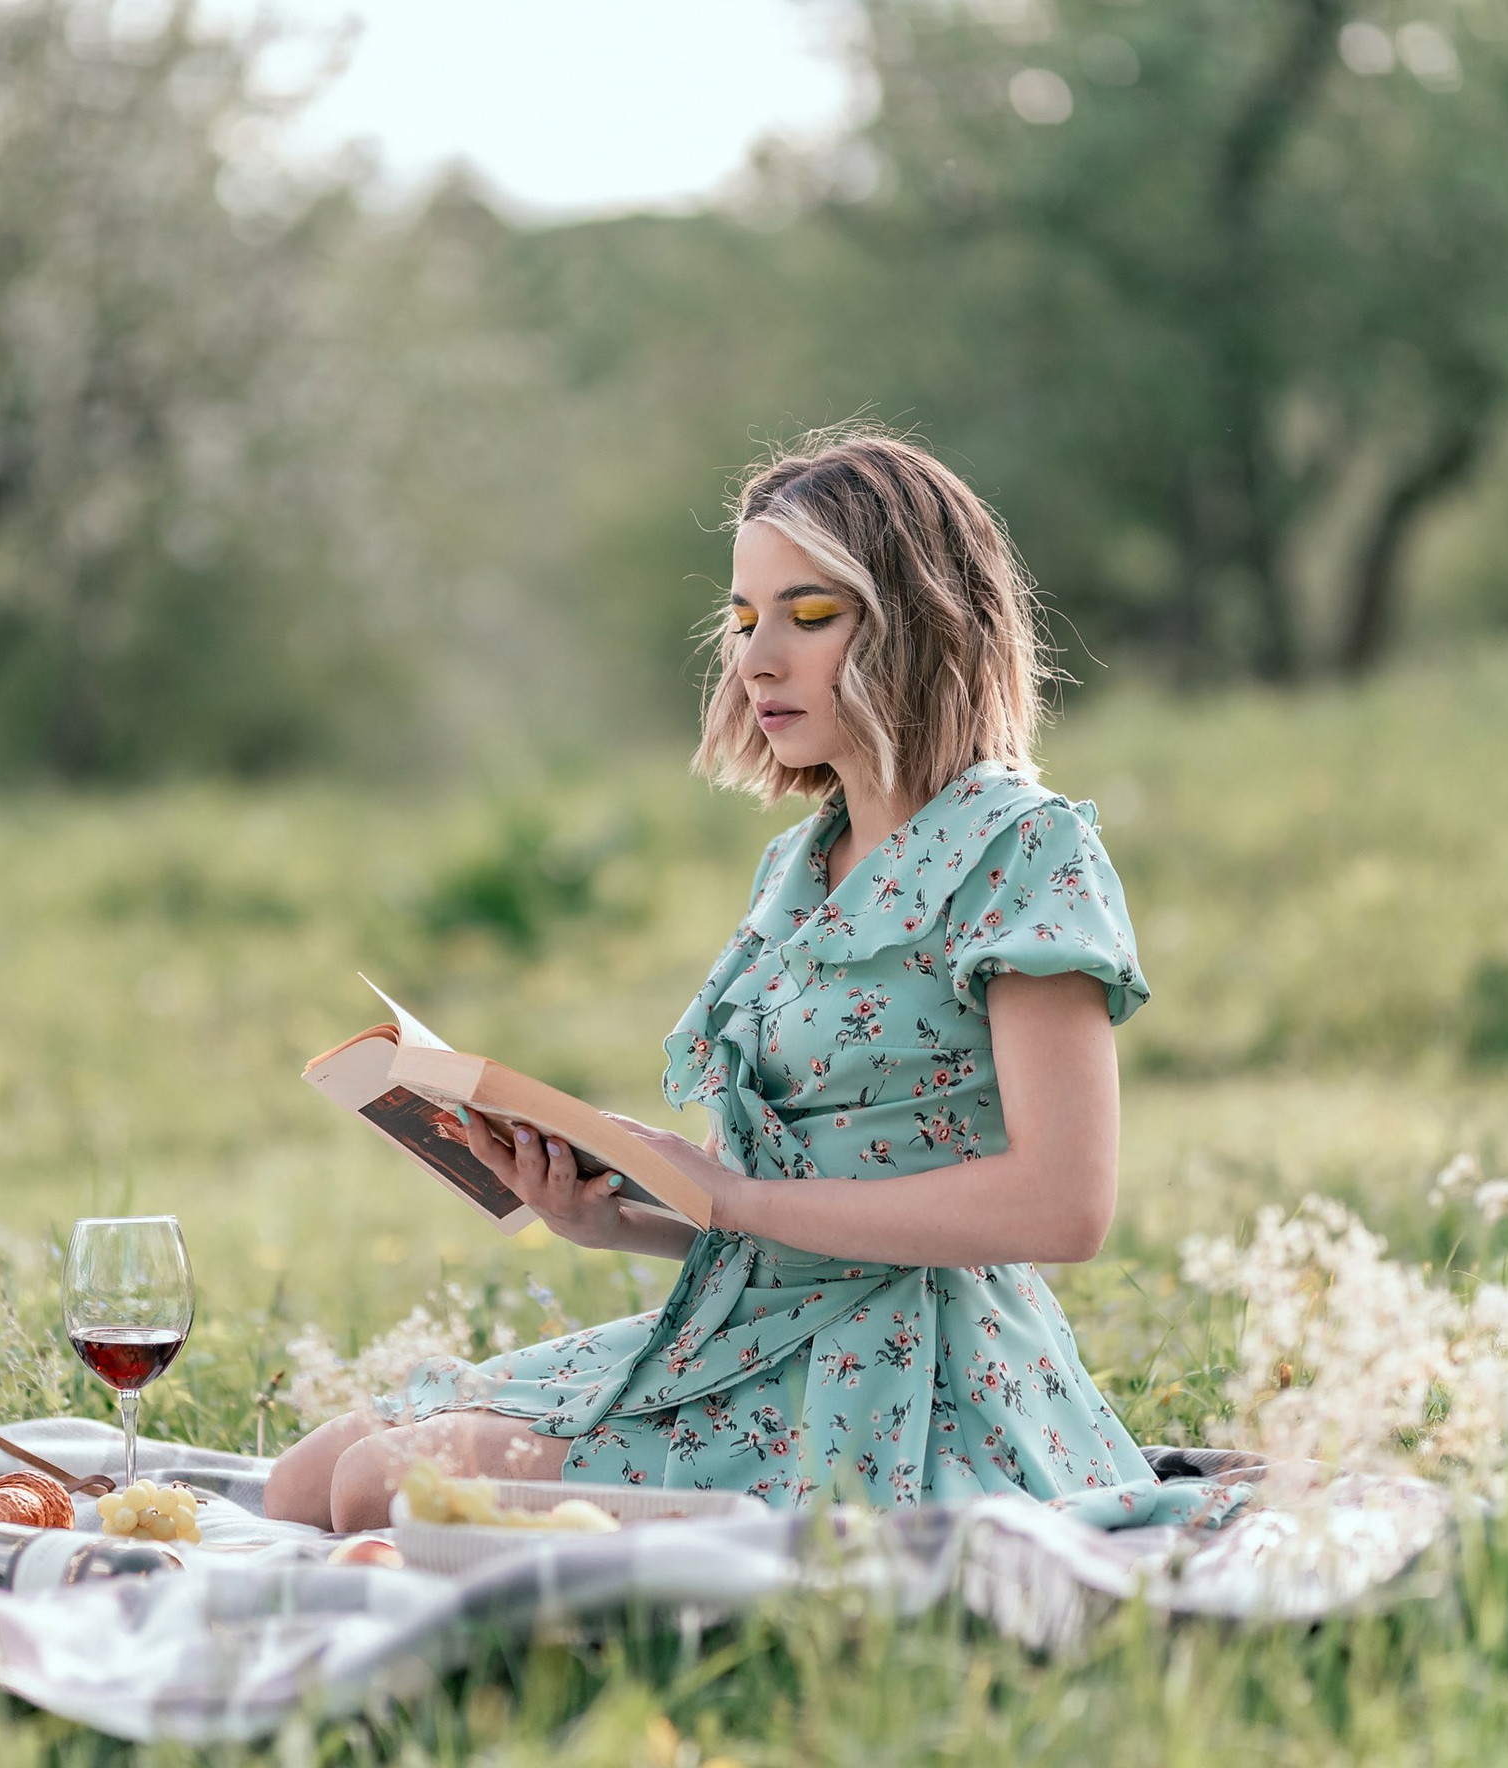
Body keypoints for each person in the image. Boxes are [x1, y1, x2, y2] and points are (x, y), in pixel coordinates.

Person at [267, 431, 1217, 1533]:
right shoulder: (799, 864)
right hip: (742, 1328)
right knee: (308, 1479)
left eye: (810, 616)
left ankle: (775, 1562)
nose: (758, 658)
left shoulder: (1024, 850)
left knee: (382, 1488)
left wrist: (729, 1197)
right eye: (743, 618)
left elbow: (1064, 1204)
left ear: (920, 621)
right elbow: (775, 1200)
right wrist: (618, 1211)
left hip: (905, 1372)